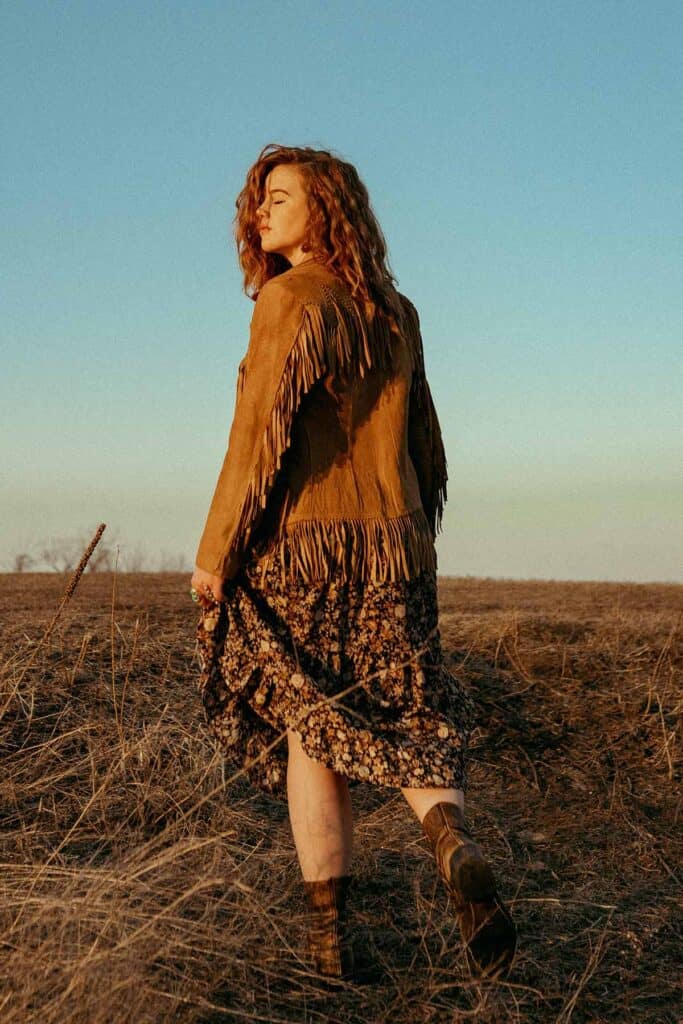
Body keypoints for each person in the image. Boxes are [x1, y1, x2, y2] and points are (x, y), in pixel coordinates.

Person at [190, 143, 517, 985]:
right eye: (258, 200)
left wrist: (214, 555)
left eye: (281, 197)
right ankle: (449, 833)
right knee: (407, 712)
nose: (262, 212)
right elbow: (427, 448)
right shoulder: (395, 310)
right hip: (396, 554)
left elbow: (254, 439)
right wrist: (409, 533)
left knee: (314, 729)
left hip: (304, 554)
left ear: (325, 207)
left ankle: (330, 944)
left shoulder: (288, 299)